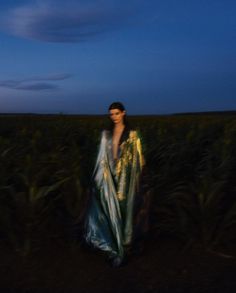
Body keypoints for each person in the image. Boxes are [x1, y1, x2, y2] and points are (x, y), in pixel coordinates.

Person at [82, 102, 150, 267]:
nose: (114, 117)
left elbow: (140, 160)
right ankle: (115, 245)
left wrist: (139, 179)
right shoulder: (106, 134)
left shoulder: (133, 134)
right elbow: (101, 158)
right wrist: (99, 178)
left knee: (125, 209)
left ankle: (125, 246)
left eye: (117, 113)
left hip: (126, 179)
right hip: (109, 177)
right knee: (109, 209)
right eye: (111, 114)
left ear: (124, 113)